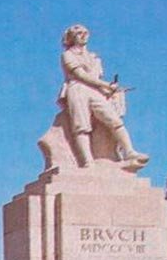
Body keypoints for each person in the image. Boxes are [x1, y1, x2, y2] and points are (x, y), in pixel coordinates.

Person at [58, 24, 149, 168]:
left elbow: (96, 76)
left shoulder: (94, 57)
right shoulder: (68, 55)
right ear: (71, 37)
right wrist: (106, 85)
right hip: (77, 89)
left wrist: (111, 90)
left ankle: (129, 151)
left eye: (85, 32)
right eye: (79, 33)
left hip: (95, 90)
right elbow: (80, 75)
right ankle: (88, 161)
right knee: (81, 126)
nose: (83, 35)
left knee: (114, 120)